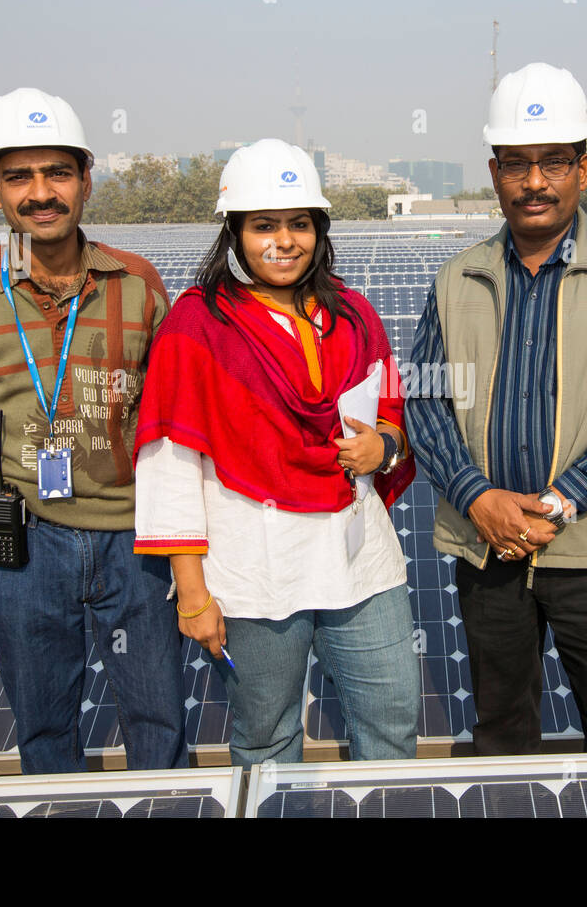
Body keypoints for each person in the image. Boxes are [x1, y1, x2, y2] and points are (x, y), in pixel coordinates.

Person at [0, 87, 186, 774]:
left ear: (86, 180)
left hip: (135, 542)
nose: (41, 193)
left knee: (160, 723)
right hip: (20, 542)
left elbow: (173, 425)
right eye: (18, 177)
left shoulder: (137, 282)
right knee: (44, 731)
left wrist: (192, 548)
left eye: (57, 173)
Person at [406, 63, 587, 755]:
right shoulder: (456, 277)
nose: (535, 182)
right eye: (518, 164)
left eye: (553, 163)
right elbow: (425, 399)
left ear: (583, 170)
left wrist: (559, 503)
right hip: (486, 547)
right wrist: (477, 497)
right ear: (495, 171)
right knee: (501, 732)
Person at [132, 138, 421, 766]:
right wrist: (192, 594)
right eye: (264, 225)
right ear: (235, 234)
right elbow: (172, 469)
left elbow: (394, 413)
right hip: (256, 575)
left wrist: (387, 445)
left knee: (394, 721)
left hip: (359, 561)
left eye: (299, 224)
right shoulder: (198, 328)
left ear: (318, 230)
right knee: (267, 739)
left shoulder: (352, 315)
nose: (284, 240)